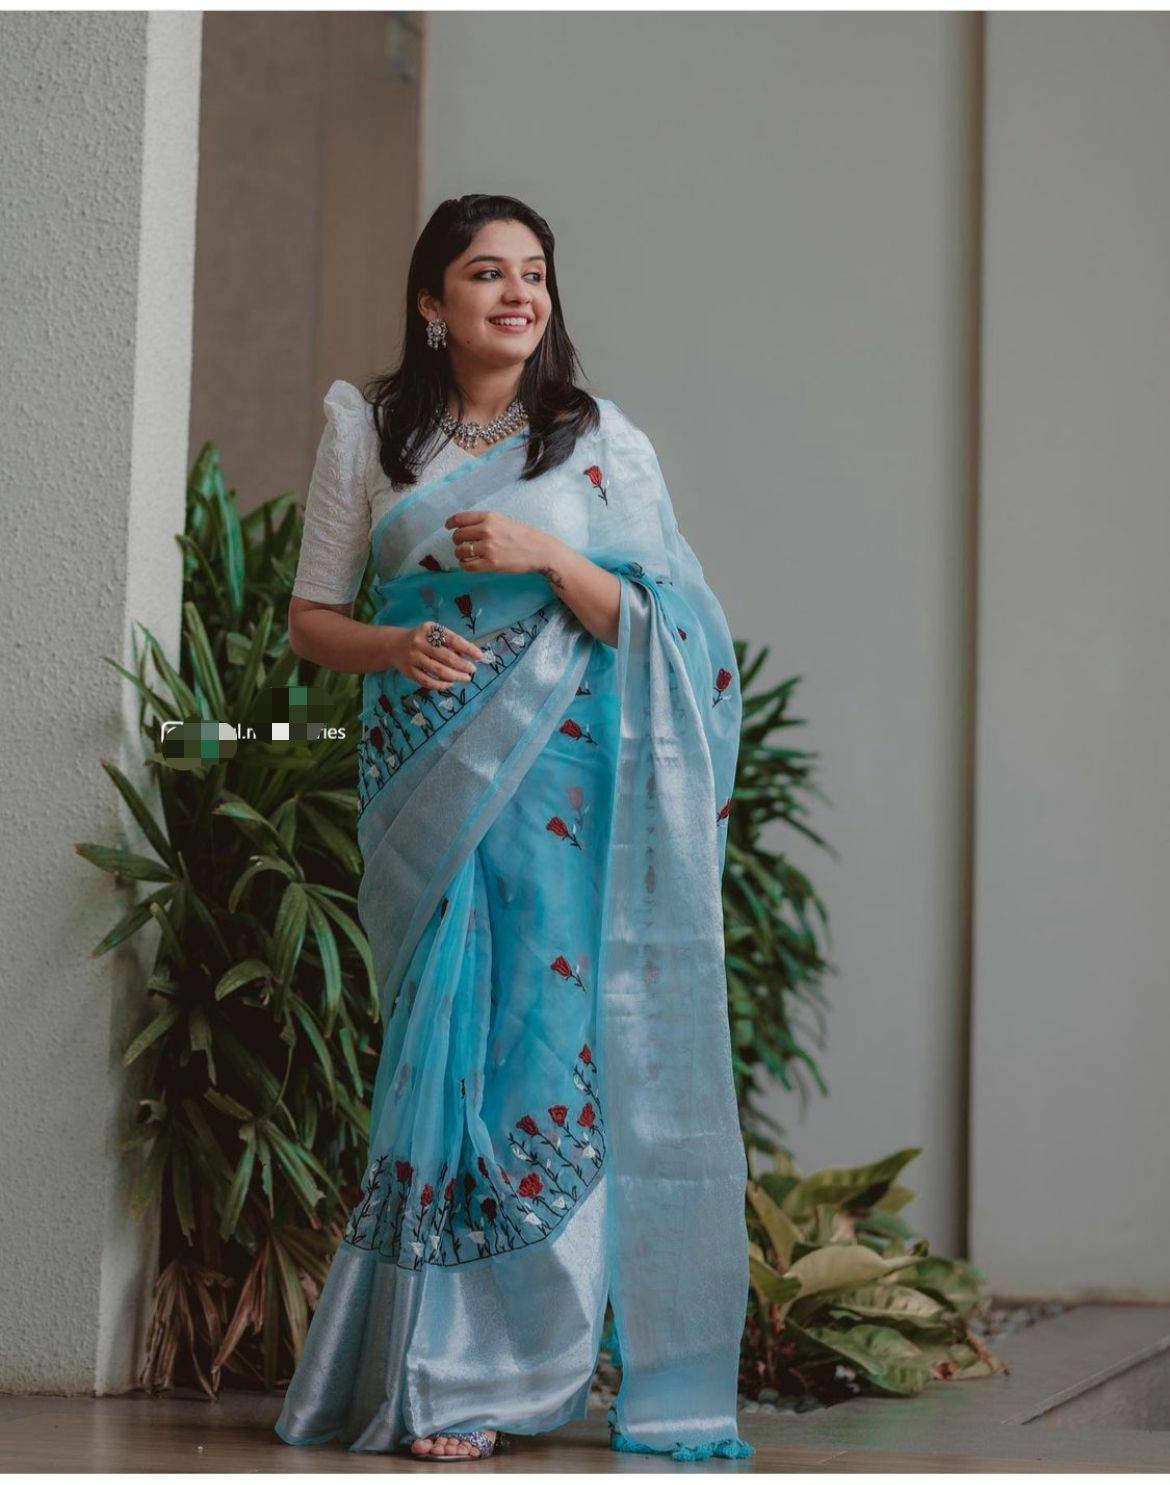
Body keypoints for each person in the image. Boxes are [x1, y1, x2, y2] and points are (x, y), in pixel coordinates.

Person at [274, 193, 752, 1463]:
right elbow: (311, 618)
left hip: (566, 793)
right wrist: (393, 645)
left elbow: (673, 632)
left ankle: (519, 1373)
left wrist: (548, 555)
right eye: (486, 273)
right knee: (446, 1055)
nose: (517, 294)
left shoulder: (598, 443)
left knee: (545, 1054)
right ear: (432, 303)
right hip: (423, 780)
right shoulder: (366, 431)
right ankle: (432, 1367)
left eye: (534, 273)